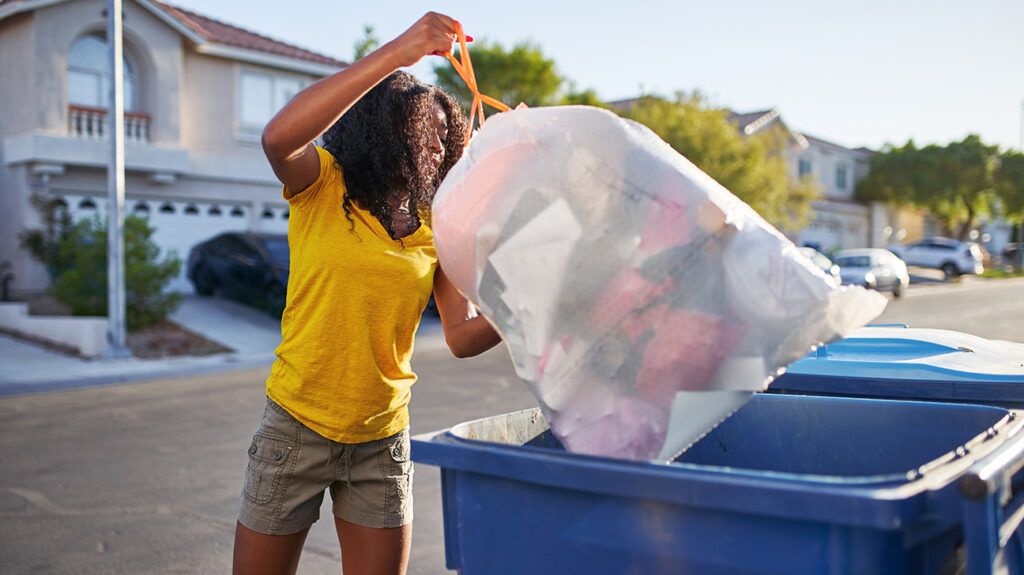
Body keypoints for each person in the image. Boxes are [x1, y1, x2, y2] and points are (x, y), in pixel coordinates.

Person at [232, 12, 502, 575]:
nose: (434, 148)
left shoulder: (439, 226)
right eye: (421, 133)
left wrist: (530, 308)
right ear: (382, 130)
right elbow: (277, 136)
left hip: (383, 440)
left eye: (442, 137)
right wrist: (399, 52)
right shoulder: (322, 183)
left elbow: (461, 336)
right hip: (296, 426)